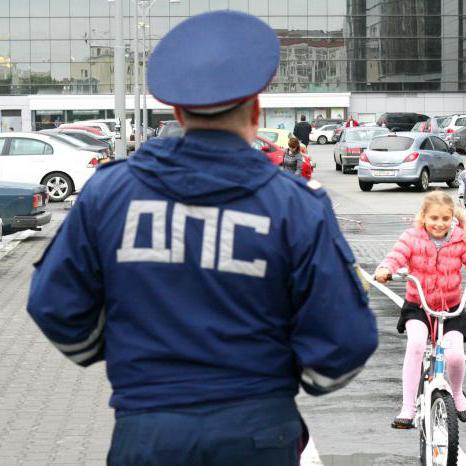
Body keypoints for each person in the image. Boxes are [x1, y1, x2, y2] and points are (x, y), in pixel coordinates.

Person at [26, 11, 378, 466]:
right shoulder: (296, 206)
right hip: (258, 435)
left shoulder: (108, 193)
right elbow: (345, 340)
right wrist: (277, 382)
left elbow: (53, 304)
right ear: (255, 110)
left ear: (176, 111)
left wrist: (130, 360)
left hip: (146, 433)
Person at [373, 191, 466, 429]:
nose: (439, 224)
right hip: (418, 306)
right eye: (433, 218)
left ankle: (458, 393)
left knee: (455, 355)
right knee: (416, 345)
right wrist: (385, 269)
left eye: (445, 218)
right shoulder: (411, 237)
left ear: (452, 217)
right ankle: (408, 407)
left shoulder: (460, 240)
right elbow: (395, 256)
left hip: (451, 307)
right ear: (423, 217)